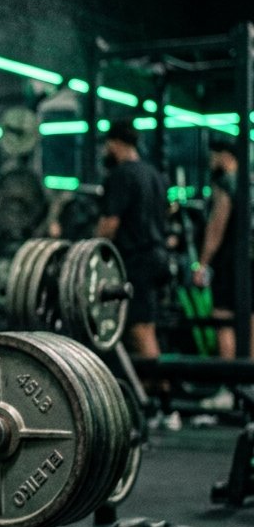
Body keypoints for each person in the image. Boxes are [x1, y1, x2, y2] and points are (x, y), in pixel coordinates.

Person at [94, 119, 175, 422]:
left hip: (135, 261)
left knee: (140, 331)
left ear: (115, 143)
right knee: (143, 329)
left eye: (107, 145)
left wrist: (87, 252)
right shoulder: (155, 175)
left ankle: (161, 405)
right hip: (156, 258)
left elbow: (110, 224)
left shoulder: (122, 175)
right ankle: (151, 400)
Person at [193, 136, 254, 372]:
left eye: (213, 156)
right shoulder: (250, 181)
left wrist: (202, 264)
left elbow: (216, 228)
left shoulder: (226, 183)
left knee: (223, 319)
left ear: (224, 156)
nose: (211, 162)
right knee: (250, 320)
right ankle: (248, 383)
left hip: (230, 263)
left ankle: (230, 382)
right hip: (250, 261)